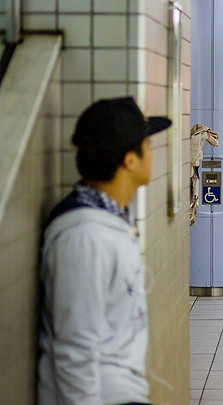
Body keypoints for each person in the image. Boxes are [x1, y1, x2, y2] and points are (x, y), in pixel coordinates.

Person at [38, 97, 171, 405]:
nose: (153, 154)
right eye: (148, 145)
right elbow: (75, 352)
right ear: (130, 160)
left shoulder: (110, 218)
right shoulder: (84, 237)